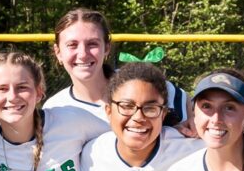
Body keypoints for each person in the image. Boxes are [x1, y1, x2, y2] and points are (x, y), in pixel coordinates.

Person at [44, 8, 189, 130]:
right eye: (72, 45)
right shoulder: (55, 109)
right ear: (58, 52)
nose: (82, 54)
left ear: (107, 48)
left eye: (92, 44)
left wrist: (190, 121)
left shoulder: (140, 82)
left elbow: (187, 104)